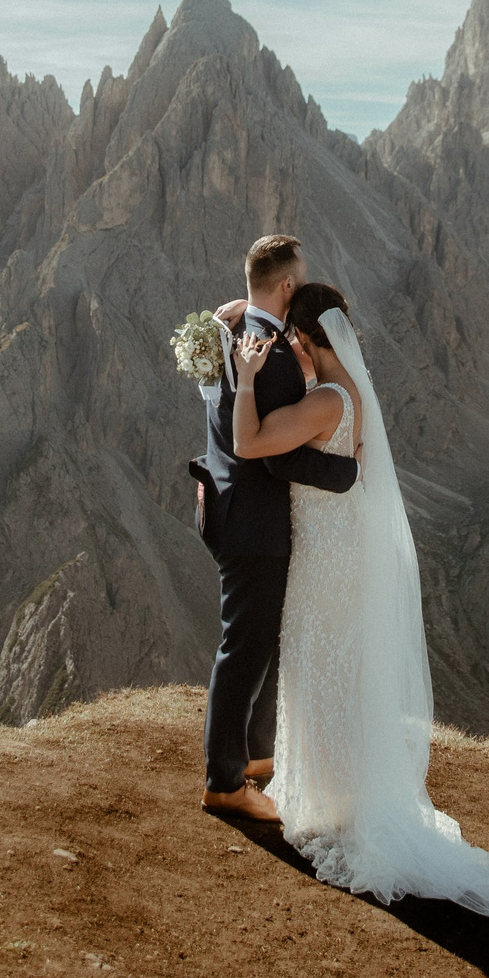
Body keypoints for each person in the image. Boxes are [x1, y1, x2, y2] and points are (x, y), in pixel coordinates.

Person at [225, 277, 489, 919]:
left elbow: (249, 442)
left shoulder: (326, 400)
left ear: (305, 339)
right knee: (334, 676)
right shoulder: (348, 391)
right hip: (339, 554)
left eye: (290, 339)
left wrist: (245, 379)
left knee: (318, 674)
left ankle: (337, 809)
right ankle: (338, 797)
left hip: (324, 567)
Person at [193, 234, 356, 822]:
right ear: (286, 285)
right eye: (301, 278)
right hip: (256, 524)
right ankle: (224, 783)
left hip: (225, 505)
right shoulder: (279, 358)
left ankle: (255, 757)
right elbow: (276, 455)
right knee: (244, 649)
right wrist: (346, 471)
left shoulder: (224, 330)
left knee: (260, 643)